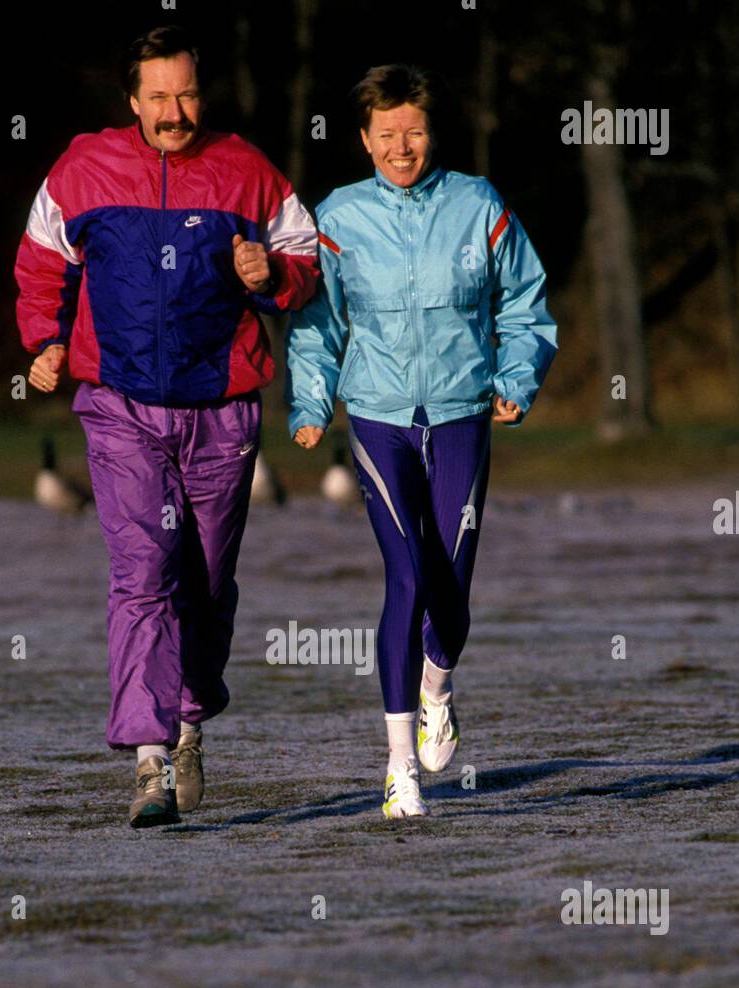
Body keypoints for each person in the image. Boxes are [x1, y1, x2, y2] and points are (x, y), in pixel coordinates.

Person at [15, 25, 319, 826]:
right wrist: (44, 339)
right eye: (159, 98)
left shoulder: (246, 169)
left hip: (222, 408)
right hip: (119, 405)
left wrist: (275, 272)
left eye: (186, 94)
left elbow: (307, 260)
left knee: (207, 584)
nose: (175, 111)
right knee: (142, 574)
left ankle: (188, 721)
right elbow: (41, 258)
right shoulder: (85, 166)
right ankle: (148, 762)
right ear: (132, 100)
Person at [286, 64, 557, 820]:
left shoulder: (479, 204)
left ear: (431, 131)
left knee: (453, 584)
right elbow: (317, 325)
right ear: (364, 139)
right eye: (387, 135)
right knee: (405, 575)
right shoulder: (337, 218)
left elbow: (527, 301)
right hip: (378, 417)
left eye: (414, 132)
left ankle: (439, 683)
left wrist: (516, 375)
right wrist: (311, 402)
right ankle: (399, 764)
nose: (402, 148)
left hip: (463, 410)